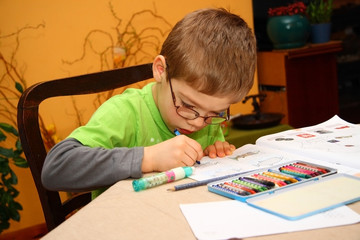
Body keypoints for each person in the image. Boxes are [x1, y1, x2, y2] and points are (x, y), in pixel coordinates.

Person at [41, 8, 257, 197]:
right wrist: (149, 157)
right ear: (161, 71)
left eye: (215, 113)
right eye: (189, 106)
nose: (198, 123)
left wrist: (214, 151)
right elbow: (55, 168)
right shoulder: (126, 112)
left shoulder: (203, 119)